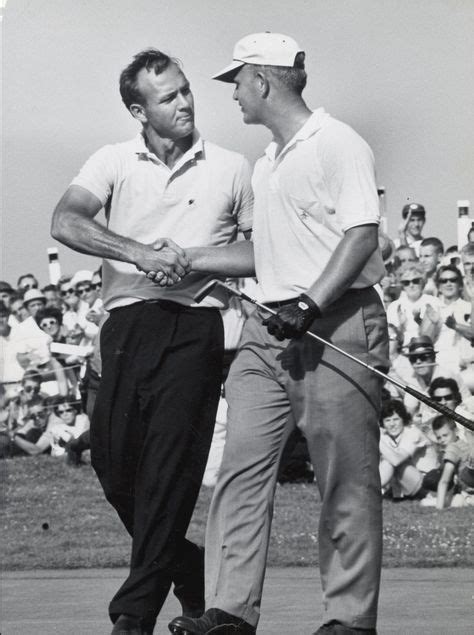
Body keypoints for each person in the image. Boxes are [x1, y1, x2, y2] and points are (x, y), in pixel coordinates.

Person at [170, 32, 389, 635]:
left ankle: (348, 619)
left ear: (262, 81)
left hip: (336, 325)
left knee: (344, 476)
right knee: (241, 469)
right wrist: (189, 257)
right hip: (267, 332)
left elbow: (361, 234)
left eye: (237, 82)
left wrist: (312, 302)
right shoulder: (269, 161)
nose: (234, 95)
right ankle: (230, 611)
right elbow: (263, 252)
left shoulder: (336, 142)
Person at [51, 48, 254, 635]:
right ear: (139, 110)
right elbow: (67, 221)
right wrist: (139, 253)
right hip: (124, 326)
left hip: (195, 326)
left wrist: (192, 261)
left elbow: (257, 251)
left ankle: (132, 616)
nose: (186, 102)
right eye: (168, 97)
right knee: (114, 465)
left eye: (187, 90)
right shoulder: (113, 160)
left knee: (169, 469)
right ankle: (183, 564)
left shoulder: (232, 166)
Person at [379, 398, 437, 500]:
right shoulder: (388, 435)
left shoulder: (413, 432)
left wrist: (375, 438)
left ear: (403, 420)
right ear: (383, 423)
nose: (392, 424)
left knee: (390, 461)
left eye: (396, 419)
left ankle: (369, 491)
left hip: (428, 484)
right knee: (386, 459)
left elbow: (396, 461)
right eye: (387, 420)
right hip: (410, 483)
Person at [422, 415, 470, 509]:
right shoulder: (462, 444)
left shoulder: (452, 449)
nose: (442, 440)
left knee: (425, 502)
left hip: (467, 491)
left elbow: (444, 480)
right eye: (439, 437)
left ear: (456, 431)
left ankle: (468, 500)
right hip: (467, 487)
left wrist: (439, 508)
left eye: (445, 435)